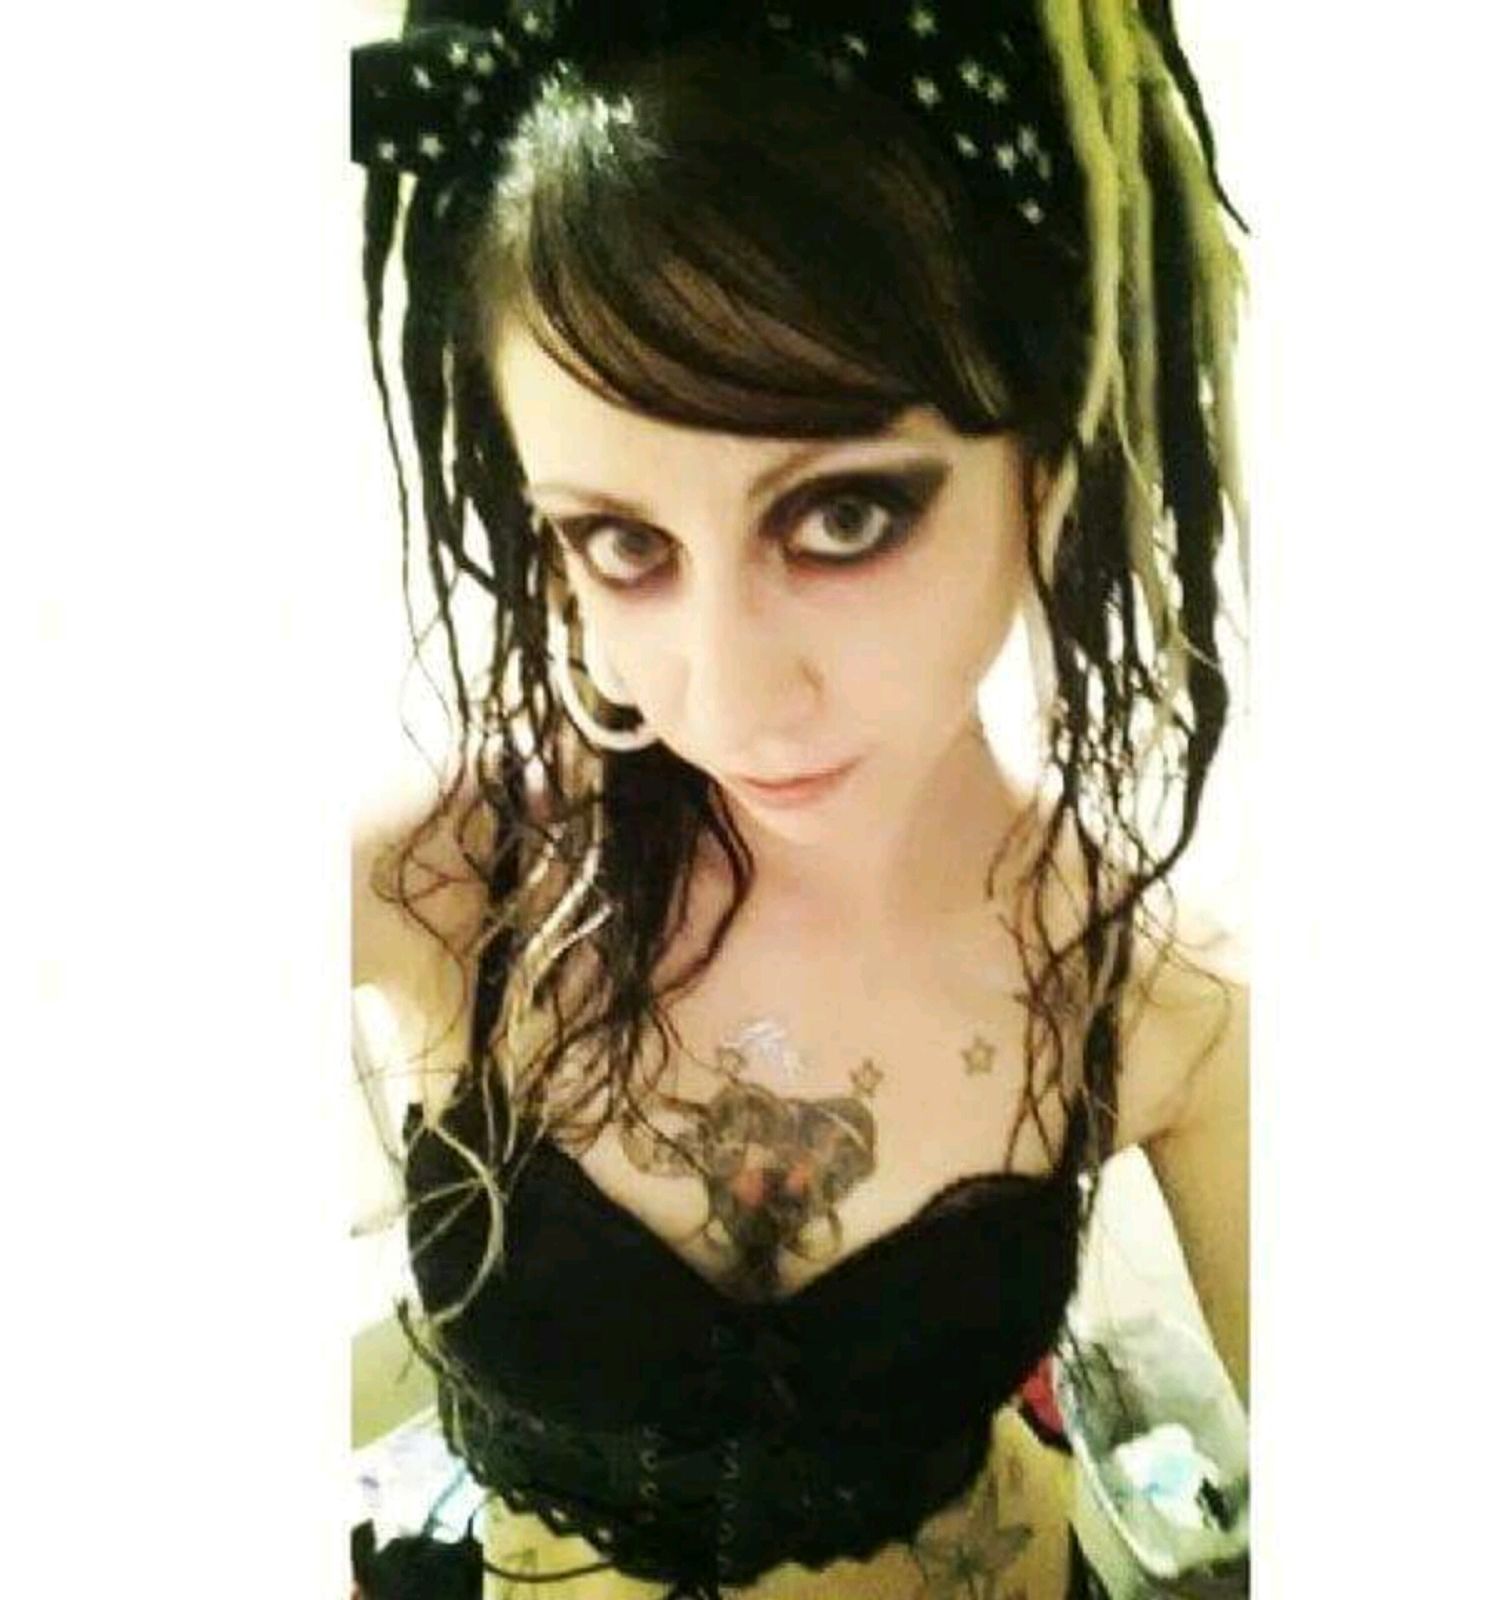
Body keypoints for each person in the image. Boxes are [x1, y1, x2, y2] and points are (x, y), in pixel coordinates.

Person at [350, 2, 1249, 1596]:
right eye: (623, 541)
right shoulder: (454, 884)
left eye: (843, 516)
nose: (726, 698)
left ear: (1051, 461)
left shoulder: (1160, 998)